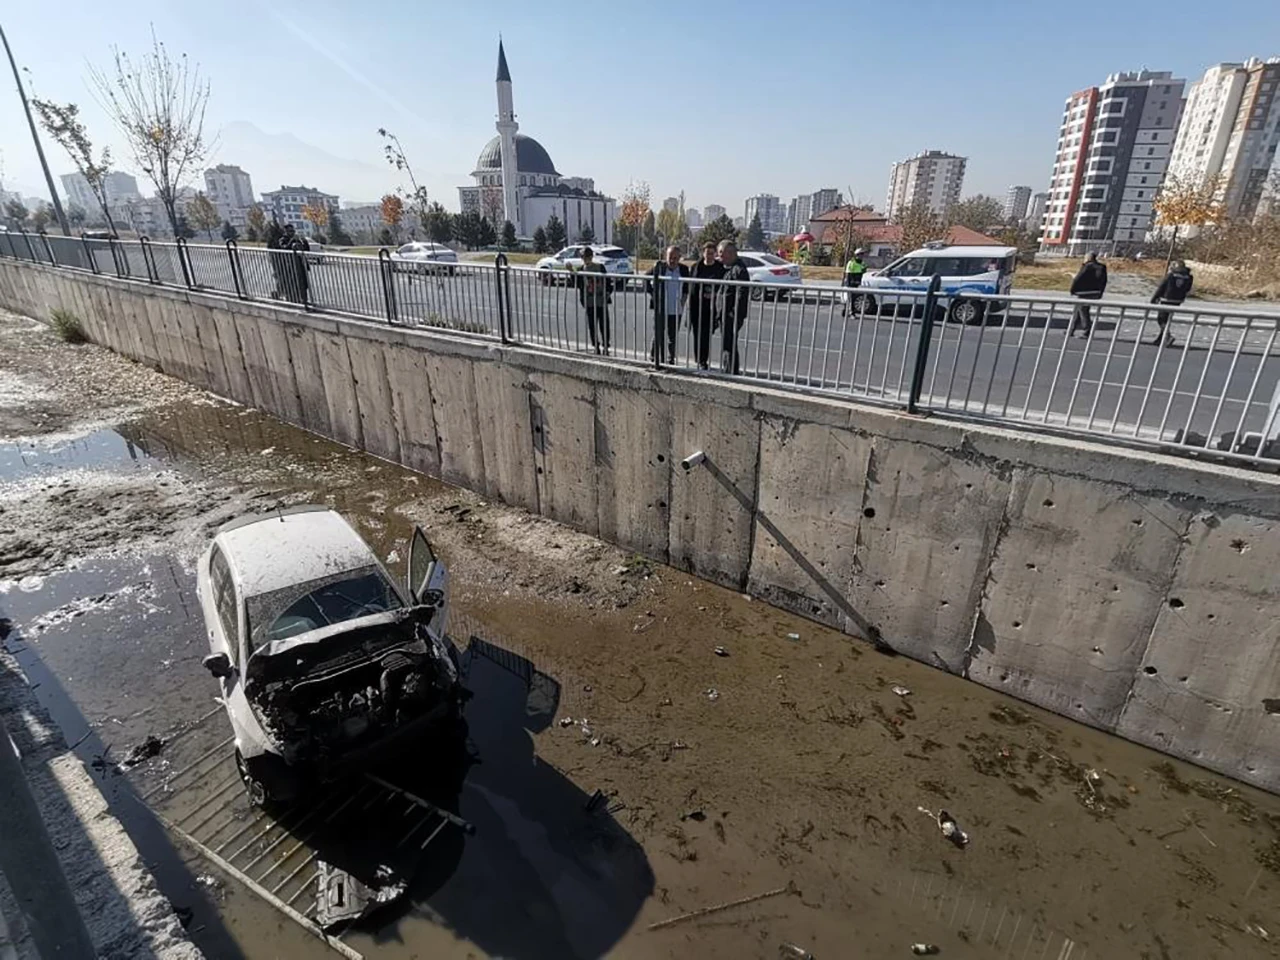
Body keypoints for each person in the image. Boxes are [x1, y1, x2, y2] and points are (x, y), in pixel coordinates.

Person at [648, 246, 690, 366]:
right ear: (665, 257)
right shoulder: (659, 267)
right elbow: (645, 280)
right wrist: (653, 294)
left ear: (679, 258)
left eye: (676, 258)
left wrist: (683, 300)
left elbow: (687, 287)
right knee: (658, 333)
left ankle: (670, 358)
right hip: (661, 307)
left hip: (676, 308)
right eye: (670, 257)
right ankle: (654, 356)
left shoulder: (684, 270)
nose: (673, 260)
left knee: (673, 335)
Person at [688, 241, 725, 370]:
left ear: (714, 254)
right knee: (697, 334)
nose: (709, 256)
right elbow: (691, 287)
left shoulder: (719, 268)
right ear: (702, 253)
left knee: (706, 335)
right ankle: (699, 359)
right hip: (697, 307)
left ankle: (704, 360)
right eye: (706, 253)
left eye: (711, 253)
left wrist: (715, 295)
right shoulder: (696, 267)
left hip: (711, 308)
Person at [718, 240, 751, 374]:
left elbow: (741, 296)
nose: (720, 257)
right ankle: (728, 369)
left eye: (721, 253)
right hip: (726, 314)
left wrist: (734, 315)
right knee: (727, 344)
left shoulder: (739, 270)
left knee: (729, 344)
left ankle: (731, 371)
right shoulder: (730, 268)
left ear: (730, 253)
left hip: (731, 315)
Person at [575, 246, 611, 355]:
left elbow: (608, 282)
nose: (586, 260)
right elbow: (578, 284)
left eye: (588, 257)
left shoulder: (600, 267)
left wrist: (607, 293)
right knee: (592, 325)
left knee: (604, 324)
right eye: (584, 257)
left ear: (591, 257)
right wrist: (572, 272)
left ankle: (606, 345)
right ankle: (596, 346)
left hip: (601, 300)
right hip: (589, 302)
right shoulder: (581, 269)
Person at [1150, 260, 1194, 347]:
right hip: (1178, 301)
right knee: (1167, 319)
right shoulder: (1188, 276)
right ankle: (1160, 339)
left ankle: (1168, 336)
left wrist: (1154, 298)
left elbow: (1162, 287)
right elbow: (1188, 289)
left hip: (1166, 299)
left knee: (1161, 319)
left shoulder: (1170, 275)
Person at [1068, 251, 1107, 338]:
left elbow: (1079, 278)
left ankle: (1086, 331)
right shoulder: (1102, 267)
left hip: (1084, 293)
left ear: (1088, 258)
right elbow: (1104, 281)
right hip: (1096, 292)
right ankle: (1071, 330)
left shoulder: (1087, 266)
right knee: (1078, 310)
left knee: (1083, 311)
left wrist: (1072, 290)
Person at [279, 224, 311, 305]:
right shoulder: (282, 240)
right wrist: (291, 241)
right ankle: (296, 300)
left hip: (301, 264)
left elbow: (307, 249)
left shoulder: (298, 239)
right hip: (291, 267)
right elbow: (285, 248)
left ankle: (305, 301)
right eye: (290, 231)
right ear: (285, 232)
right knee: (295, 284)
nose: (292, 233)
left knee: (304, 284)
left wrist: (304, 241)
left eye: (293, 231)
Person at [841, 247, 868, 316]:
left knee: (854, 297)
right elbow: (848, 274)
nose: (862, 256)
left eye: (863, 254)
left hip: (857, 282)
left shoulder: (863, 263)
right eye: (860, 254)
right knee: (848, 297)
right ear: (857, 255)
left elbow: (863, 271)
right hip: (850, 282)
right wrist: (851, 282)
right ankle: (848, 310)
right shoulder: (851, 262)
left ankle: (850, 311)